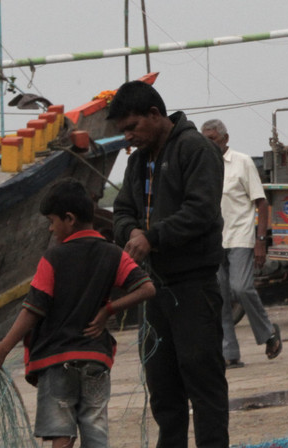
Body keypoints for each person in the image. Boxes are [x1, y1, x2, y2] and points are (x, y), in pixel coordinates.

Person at [0, 179, 156, 448]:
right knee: (95, 430)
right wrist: (108, 309)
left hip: (57, 360)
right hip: (96, 359)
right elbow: (146, 288)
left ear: (69, 219)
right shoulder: (113, 254)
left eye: (52, 221)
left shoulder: (53, 258)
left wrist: (3, 349)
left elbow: (32, 309)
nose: (51, 229)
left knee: (61, 434)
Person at [109, 80, 229, 448]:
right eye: (124, 132)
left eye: (133, 128)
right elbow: (122, 211)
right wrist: (130, 232)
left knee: (203, 384)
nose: (129, 137)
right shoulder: (136, 162)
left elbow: (201, 211)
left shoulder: (196, 149)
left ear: (155, 115)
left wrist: (152, 237)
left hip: (194, 287)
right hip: (154, 289)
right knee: (162, 387)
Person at [200, 119, 282, 368]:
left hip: (240, 237)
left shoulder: (242, 162)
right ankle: (230, 353)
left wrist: (260, 241)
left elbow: (261, 202)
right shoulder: (202, 166)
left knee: (241, 287)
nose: (207, 143)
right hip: (215, 241)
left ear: (225, 139)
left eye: (211, 138)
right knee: (221, 297)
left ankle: (268, 333)